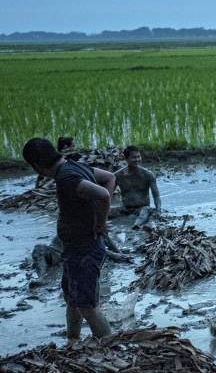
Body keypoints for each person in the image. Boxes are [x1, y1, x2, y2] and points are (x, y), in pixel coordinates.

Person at [22, 138, 114, 344]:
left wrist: (101, 223)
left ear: (36, 165)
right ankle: (72, 341)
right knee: (72, 299)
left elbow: (103, 195)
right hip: (74, 249)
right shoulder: (74, 166)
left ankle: (112, 349)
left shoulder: (67, 177)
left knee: (87, 307)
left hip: (85, 249)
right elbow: (108, 178)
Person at [112, 146, 161, 229]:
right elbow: (108, 193)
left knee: (145, 211)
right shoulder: (117, 175)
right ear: (126, 159)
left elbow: (156, 196)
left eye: (139, 156)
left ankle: (137, 225)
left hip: (143, 208)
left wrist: (158, 210)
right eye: (134, 157)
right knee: (107, 212)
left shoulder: (148, 175)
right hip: (125, 208)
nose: (137, 159)